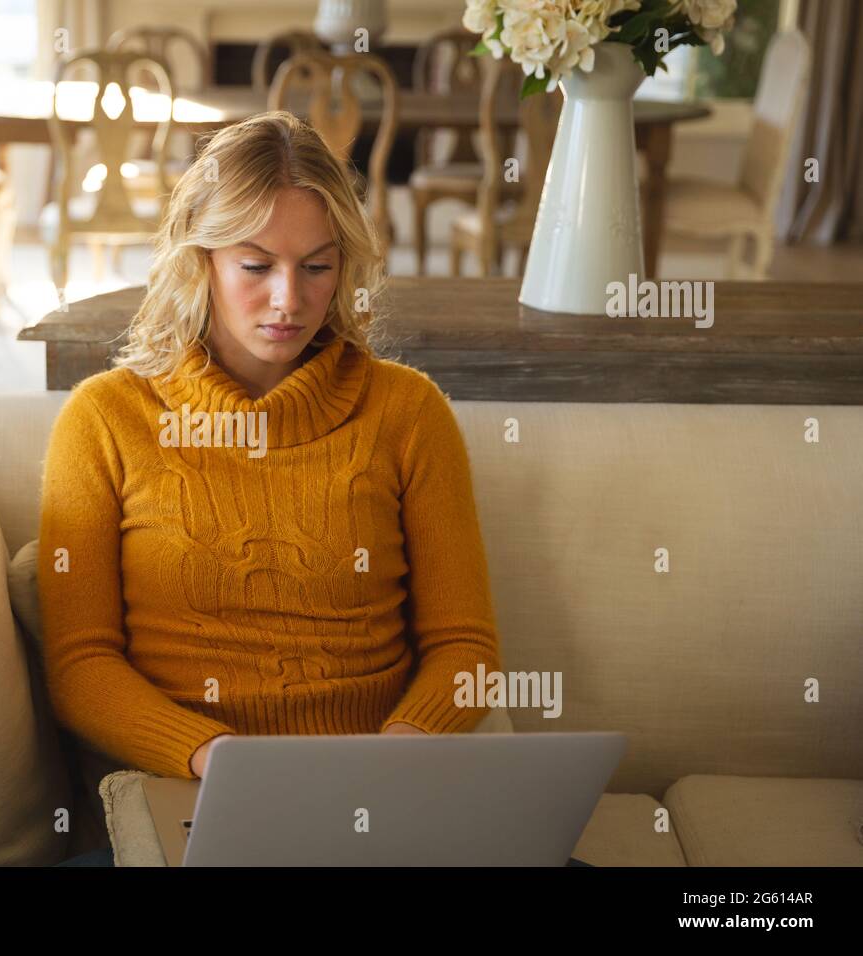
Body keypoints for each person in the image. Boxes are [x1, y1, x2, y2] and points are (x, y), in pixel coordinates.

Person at [40, 110, 590, 868]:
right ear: (198, 261)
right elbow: (81, 665)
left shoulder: (407, 411)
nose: (288, 301)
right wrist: (216, 758)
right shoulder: (105, 419)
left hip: (382, 803)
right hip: (195, 796)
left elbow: (463, 646)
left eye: (317, 267)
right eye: (256, 266)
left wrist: (402, 748)